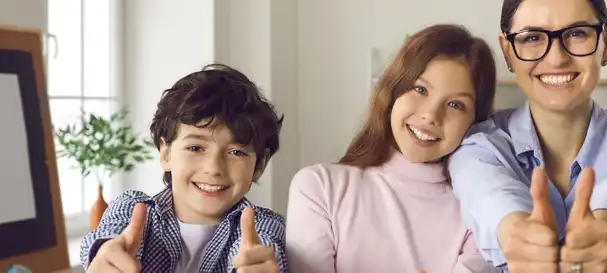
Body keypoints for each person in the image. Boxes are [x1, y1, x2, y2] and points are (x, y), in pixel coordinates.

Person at [447, 0, 607, 271]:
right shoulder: (480, 146)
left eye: (578, 33)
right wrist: (514, 231)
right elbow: (488, 192)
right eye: (532, 37)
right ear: (507, 51)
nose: (556, 58)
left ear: (606, 42)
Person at [284, 24, 498, 273]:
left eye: (455, 104)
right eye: (420, 89)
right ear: (393, 91)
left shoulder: (481, 211)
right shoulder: (319, 187)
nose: (430, 115)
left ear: (475, 120)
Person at [80, 64, 287, 273]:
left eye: (237, 152)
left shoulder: (265, 226)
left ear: (259, 165)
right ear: (166, 153)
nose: (214, 168)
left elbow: (266, 250)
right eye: (195, 148)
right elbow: (106, 238)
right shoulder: (132, 209)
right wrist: (105, 256)